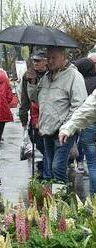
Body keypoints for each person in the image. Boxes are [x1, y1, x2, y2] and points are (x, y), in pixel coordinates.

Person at [28, 47, 87, 183]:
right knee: (50, 168)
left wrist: (67, 126)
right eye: (48, 58)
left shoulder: (73, 76)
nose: (50, 61)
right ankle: (54, 199)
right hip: (47, 128)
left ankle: (63, 200)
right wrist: (32, 83)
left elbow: (79, 105)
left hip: (63, 131)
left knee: (57, 167)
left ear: (64, 57)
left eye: (54, 57)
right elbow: (36, 99)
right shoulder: (46, 77)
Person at [59, 57, 96, 193]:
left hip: (89, 127)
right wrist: (68, 127)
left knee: (92, 164)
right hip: (87, 123)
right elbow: (88, 107)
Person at [18, 51, 49, 179]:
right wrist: (23, 116)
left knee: (49, 148)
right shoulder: (28, 75)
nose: (35, 63)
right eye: (34, 60)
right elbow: (25, 98)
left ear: (45, 61)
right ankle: (45, 167)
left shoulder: (50, 74)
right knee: (39, 144)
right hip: (35, 118)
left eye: (38, 60)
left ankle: (46, 170)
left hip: (49, 115)